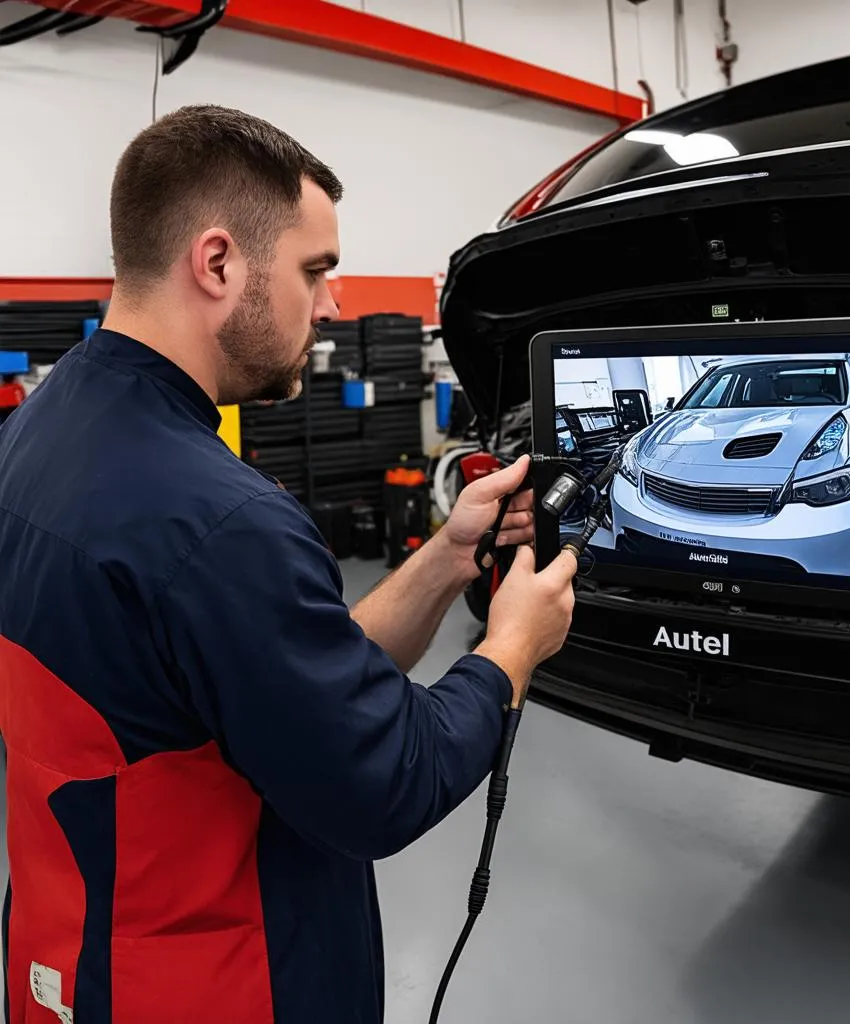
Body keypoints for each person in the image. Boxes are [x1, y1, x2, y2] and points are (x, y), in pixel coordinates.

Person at [0, 105, 578, 1024]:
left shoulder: (35, 434)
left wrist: (447, 555)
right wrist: (511, 651)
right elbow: (386, 783)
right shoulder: (218, 522)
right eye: (318, 271)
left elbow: (279, 682)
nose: (336, 303)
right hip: (216, 984)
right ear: (219, 262)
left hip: (68, 951)